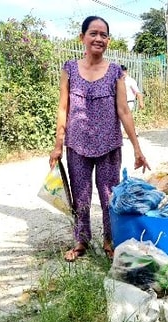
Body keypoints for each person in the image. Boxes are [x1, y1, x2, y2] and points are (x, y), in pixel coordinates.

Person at [49, 15, 151, 262]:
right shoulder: (69, 69)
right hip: (77, 145)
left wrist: (137, 148)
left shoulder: (116, 72)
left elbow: (124, 111)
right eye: (93, 33)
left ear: (108, 40)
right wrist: (57, 145)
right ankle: (81, 240)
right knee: (81, 194)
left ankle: (109, 239)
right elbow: (63, 107)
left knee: (109, 195)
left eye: (103, 35)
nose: (98, 38)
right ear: (82, 37)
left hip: (108, 145)